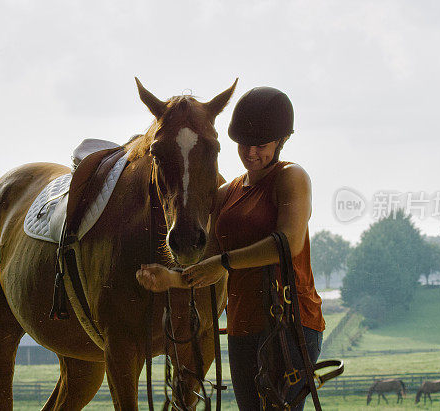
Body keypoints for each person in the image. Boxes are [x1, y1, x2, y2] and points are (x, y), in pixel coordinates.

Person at [136, 86, 325, 410]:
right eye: (244, 144)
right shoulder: (228, 192)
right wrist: (173, 279)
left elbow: (288, 243)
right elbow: (209, 260)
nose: (251, 152)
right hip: (241, 324)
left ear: (281, 141)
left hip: (288, 322)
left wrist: (223, 263)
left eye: (261, 145)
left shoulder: (291, 177)